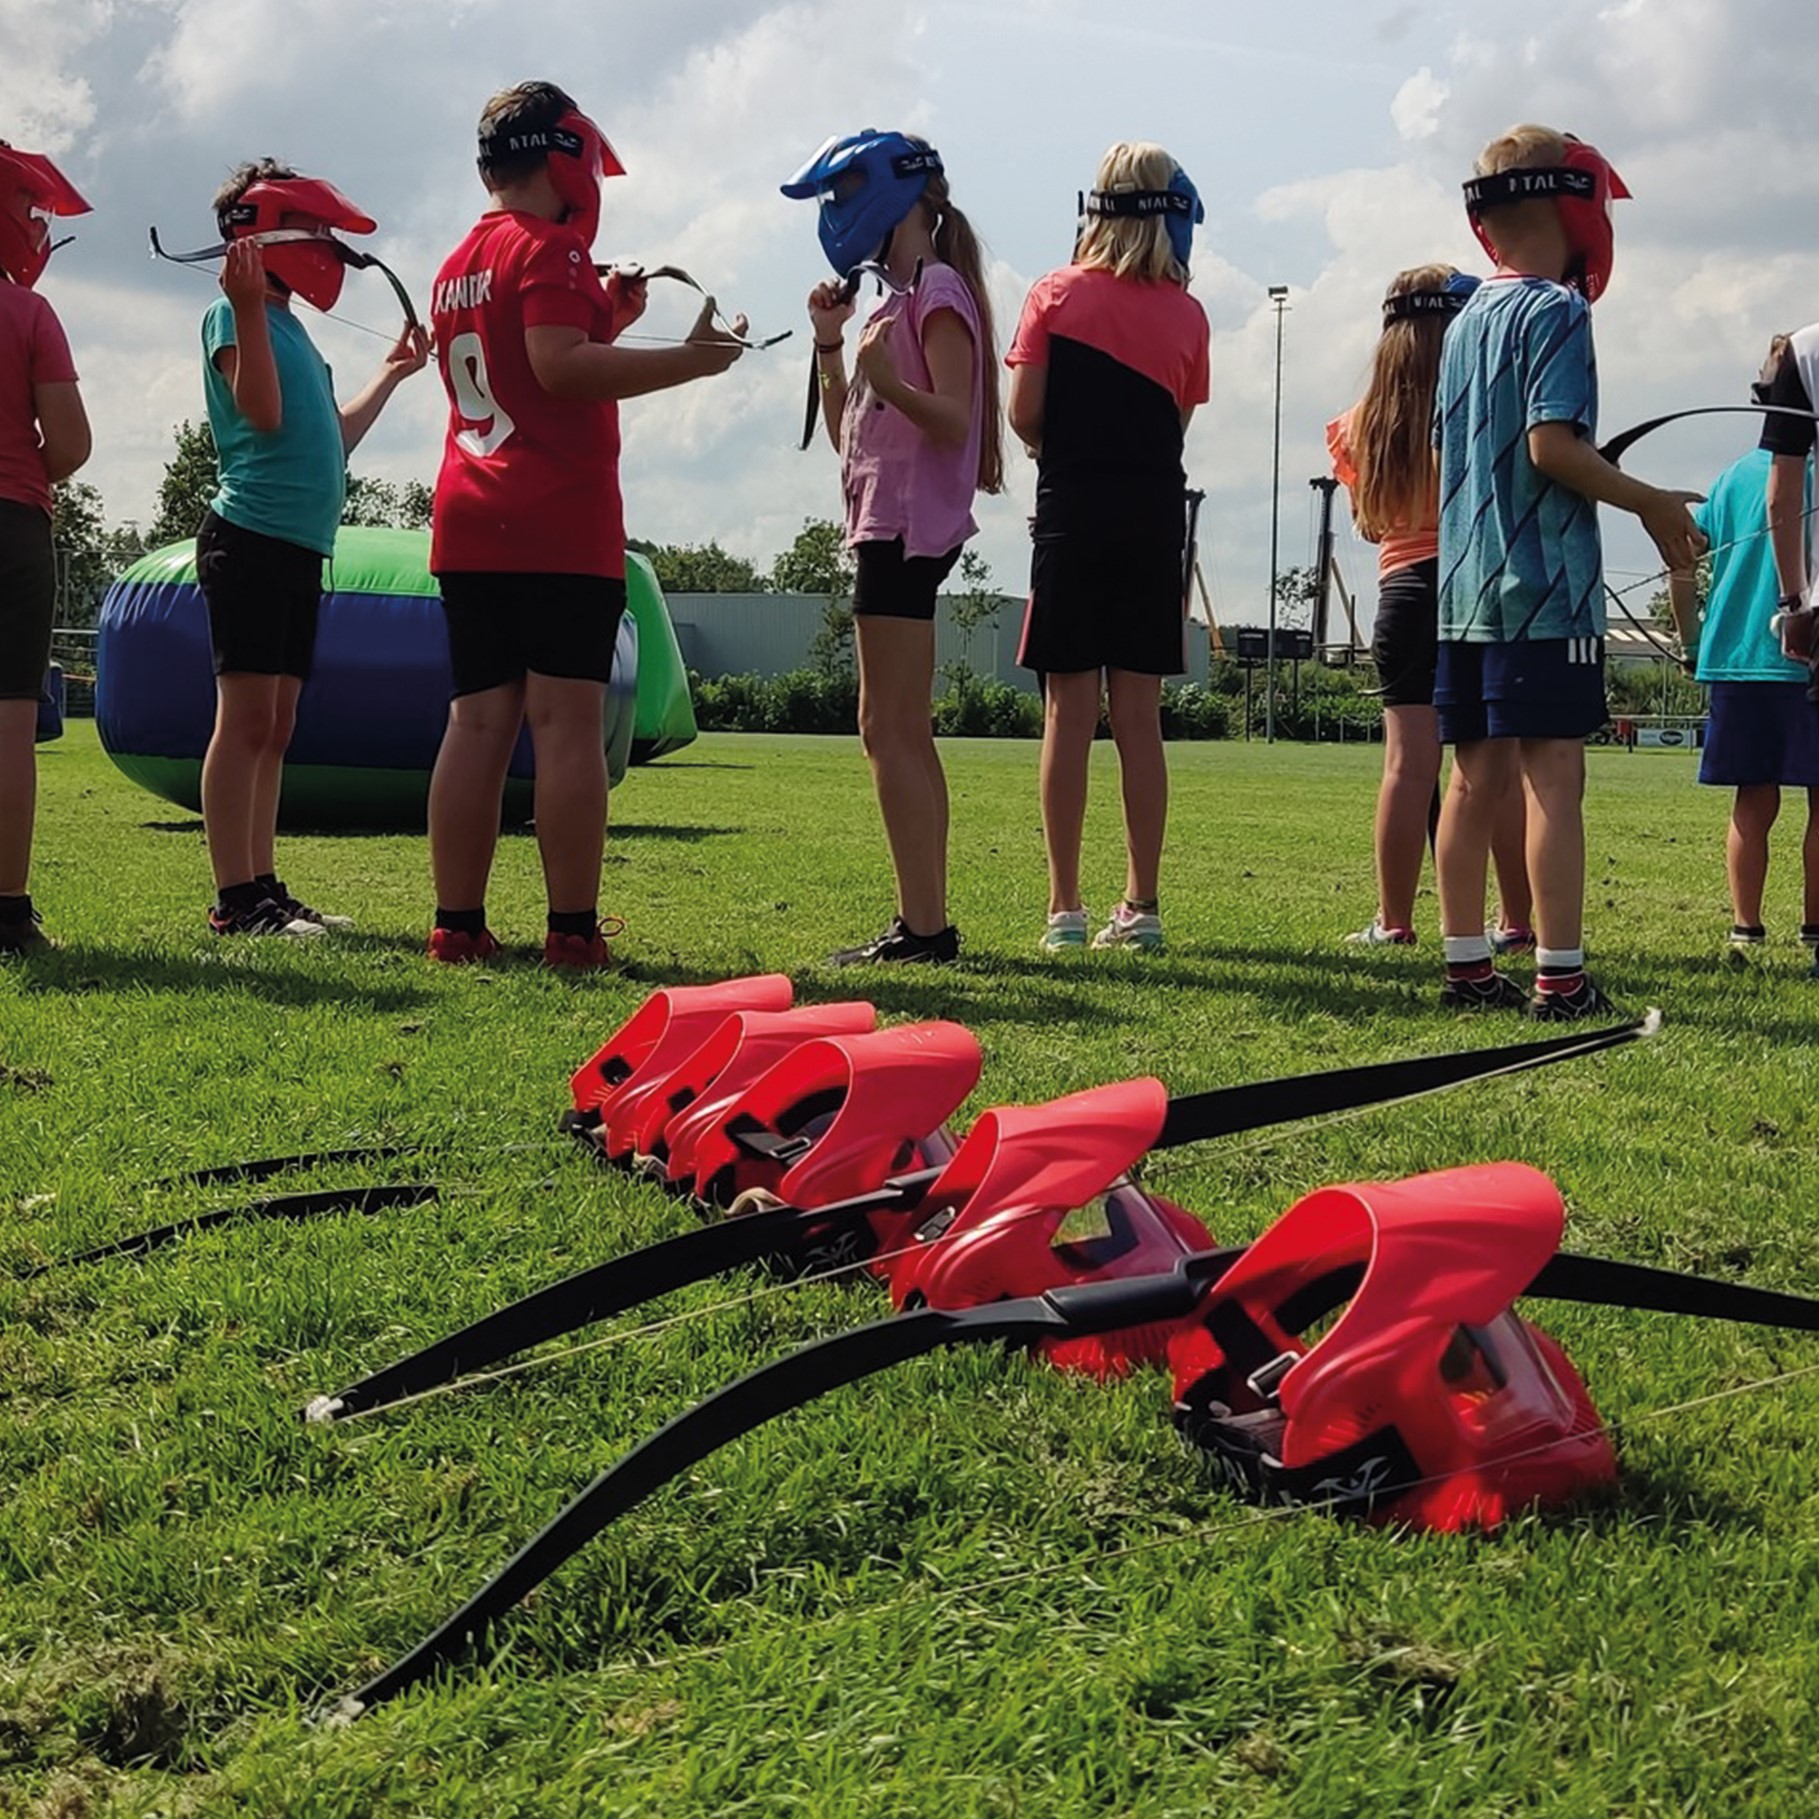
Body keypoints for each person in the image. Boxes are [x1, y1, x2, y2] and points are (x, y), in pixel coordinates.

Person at [427, 81, 746, 969]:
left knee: (476, 723)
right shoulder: (554, 249)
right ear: (566, 159)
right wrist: (693, 359)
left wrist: (607, 313)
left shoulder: (457, 261)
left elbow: (522, 363)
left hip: (467, 514)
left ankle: (456, 922)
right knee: (566, 723)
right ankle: (570, 929)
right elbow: (559, 369)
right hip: (556, 520)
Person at [1432, 124, 1702, 1018]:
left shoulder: (1465, 317)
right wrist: (1652, 501)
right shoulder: (1557, 312)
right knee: (1555, 774)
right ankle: (1559, 972)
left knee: (1472, 777)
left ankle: (1467, 966)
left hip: (1462, 589)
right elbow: (1552, 447)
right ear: (1569, 203)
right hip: (1543, 587)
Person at [784, 130, 1002, 965]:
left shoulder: (936, 290)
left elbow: (952, 417)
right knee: (888, 726)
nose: (837, 216)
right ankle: (921, 920)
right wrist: (832, 344)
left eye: (844, 196)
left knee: (892, 728)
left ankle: (925, 926)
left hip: (907, 529)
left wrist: (891, 373)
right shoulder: (889, 300)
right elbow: (848, 435)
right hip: (881, 522)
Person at [196, 160, 428, 938]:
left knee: (277, 724)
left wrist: (391, 374)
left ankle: (262, 885)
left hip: (297, 548)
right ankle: (237, 900)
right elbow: (259, 412)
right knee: (247, 720)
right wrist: (246, 306)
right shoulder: (234, 316)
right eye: (319, 231)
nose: (330, 247)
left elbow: (331, 436)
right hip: (250, 540)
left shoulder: (288, 326)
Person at [1003, 143, 1208, 953]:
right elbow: (1177, 421)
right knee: (1139, 717)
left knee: (1067, 709)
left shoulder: (1053, 292)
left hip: (1071, 508)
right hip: (1152, 515)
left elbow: (1025, 415)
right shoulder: (1187, 313)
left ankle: (1065, 908)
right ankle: (1143, 904)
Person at [1328, 265, 1534, 954]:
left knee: (1404, 765)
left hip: (1401, 594)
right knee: (1491, 769)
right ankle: (1514, 920)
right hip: (1472, 586)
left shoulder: (1361, 424)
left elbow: (1368, 522)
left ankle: (1392, 920)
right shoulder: (1477, 408)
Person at [1669, 337, 1819, 966]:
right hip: (1806, 655)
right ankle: (1815, 932)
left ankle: (1745, 928)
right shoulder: (1810, 473)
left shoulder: (1730, 476)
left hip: (1736, 656)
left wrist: (1688, 637)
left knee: (1751, 801)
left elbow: (1688, 555)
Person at [0, 142, 90, 956]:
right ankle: (6, 911)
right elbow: (70, 442)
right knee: (9, 722)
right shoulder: (29, 315)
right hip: (12, 525)